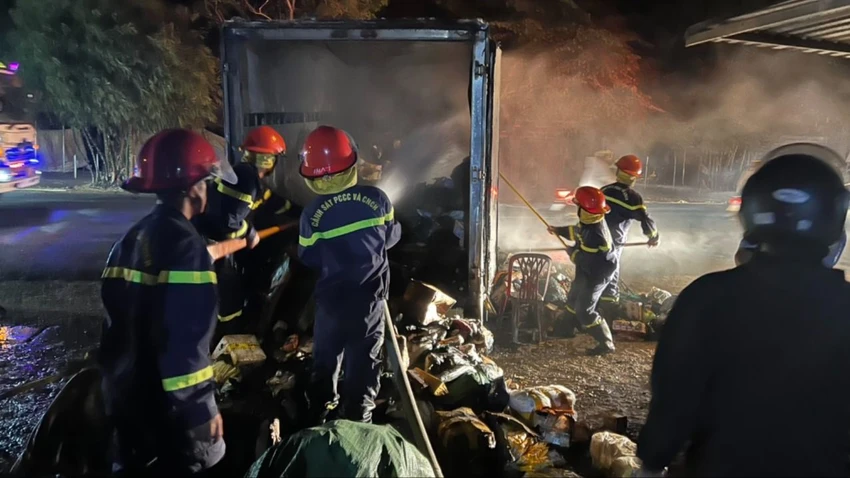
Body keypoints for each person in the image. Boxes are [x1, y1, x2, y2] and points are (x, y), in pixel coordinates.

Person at [637, 143, 850, 477]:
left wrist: (653, 459)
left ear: (750, 210)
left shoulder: (706, 298)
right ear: (835, 216)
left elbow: (674, 405)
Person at [99, 129, 236, 475]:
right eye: (206, 183)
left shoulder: (131, 239)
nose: (208, 190)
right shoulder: (186, 249)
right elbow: (184, 344)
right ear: (193, 188)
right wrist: (202, 411)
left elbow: (116, 325)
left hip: (123, 398)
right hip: (169, 413)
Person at [297, 125, 401, 424]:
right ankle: (358, 415)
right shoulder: (378, 198)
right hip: (369, 300)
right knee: (364, 357)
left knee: (326, 355)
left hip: (331, 300)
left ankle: (319, 409)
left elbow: (307, 256)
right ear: (352, 162)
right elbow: (391, 237)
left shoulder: (312, 213)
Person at [201, 125, 287, 330]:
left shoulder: (243, 174)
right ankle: (225, 334)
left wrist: (295, 211)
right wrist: (249, 233)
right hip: (215, 248)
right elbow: (230, 223)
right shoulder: (248, 181)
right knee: (227, 301)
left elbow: (267, 200)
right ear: (267, 159)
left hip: (212, 243)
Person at [547, 186, 617, 355]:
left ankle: (606, 344)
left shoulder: (595, 234)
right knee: (574, 296)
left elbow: (585, 259)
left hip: (597, 273)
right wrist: (559, 230)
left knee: (585, 309)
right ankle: (565, 329)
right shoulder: (591, 220)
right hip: (588, 268)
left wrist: (571, 252)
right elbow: (578, 231)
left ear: (583, 209)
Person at [600, 155, 659, 307]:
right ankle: (608, 304)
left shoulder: (604, 190)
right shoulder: (632, 198)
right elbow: (645, 219)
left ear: (618, 171)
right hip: (613, 242)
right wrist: (653, 236)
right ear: (634, 177)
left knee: (592, 269)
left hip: (595, 237)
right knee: (611, 270)